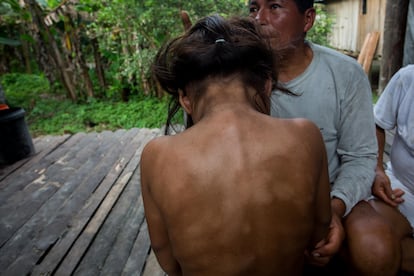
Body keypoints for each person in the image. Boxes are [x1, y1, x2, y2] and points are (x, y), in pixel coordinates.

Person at [140, 14, 332, 275]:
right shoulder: (307, 136)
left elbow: (169, 261)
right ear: (266, 85)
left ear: (185, 99)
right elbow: (320, 230)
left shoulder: (157, 156)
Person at [371, 64, 414, 273]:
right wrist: (377, 170)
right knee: (374, 242)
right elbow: (378, 123)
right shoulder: (407, 78)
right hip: (401, 189)